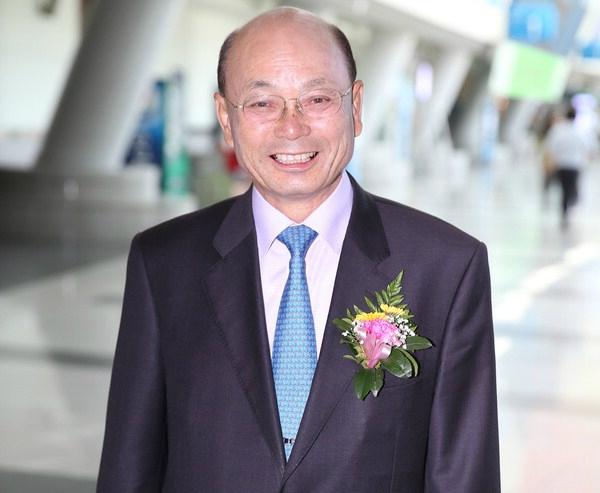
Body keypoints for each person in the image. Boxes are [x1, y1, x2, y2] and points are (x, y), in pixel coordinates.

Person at [97, 7, 500, 492]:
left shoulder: (446, 268)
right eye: (262, 103)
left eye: (317, 99)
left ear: (356, 105)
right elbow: (129, 469)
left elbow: (464, 477)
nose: (292, 126)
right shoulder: (163, 264)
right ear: (226, 117)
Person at [543, 104, 589, 228]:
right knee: (571, 188)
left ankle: (564, 211)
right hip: (575, 165)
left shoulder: (558, 130)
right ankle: (570, 205)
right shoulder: (580, 132)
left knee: (564, 190)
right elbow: (586, 148)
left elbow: (550, 147)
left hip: (561, 165)